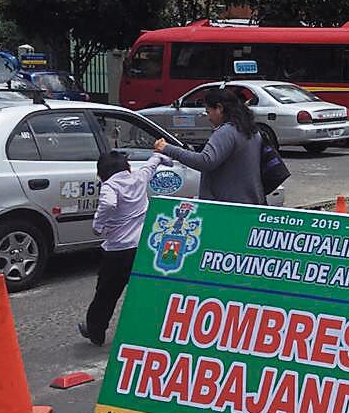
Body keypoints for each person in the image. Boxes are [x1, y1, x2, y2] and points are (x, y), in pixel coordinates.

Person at [78, 149, 171, 346]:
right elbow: (152, 163)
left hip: (117, 251)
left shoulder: (109, 186)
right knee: (144, 291)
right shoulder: (138, 177)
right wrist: (163, 157)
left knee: (106, 293)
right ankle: (154, 332)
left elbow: (109, 204)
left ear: (101, 172)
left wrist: (98, 225)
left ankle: (96, 330)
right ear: (126, 167)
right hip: (142, 248)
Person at [155, 87, 265, 204]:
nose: (208, 118)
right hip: (248, 202)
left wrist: (167, 148)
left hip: (225, 207)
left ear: (219, 108)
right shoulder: (250, 130)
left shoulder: (226, 131)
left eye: (208, 112)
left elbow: (206, 161)